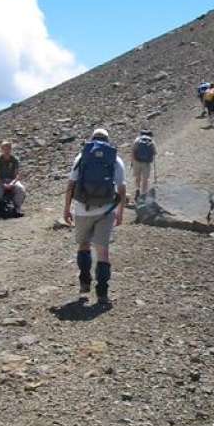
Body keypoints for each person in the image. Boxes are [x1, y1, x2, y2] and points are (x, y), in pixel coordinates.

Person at [63, 128, 127, 305]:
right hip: (106, 210)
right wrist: (120, 212)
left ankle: (84, 282)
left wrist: (66, 209)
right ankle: (102, 293)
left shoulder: (82, 156)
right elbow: (121, 189)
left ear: (92, 138)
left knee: (83, 245)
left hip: (83, 209)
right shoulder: (115, 158)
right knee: (103, 251)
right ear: (108, 139)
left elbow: (71, 185)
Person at [0, 140, 26, 217]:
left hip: (12, 180)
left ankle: (17, 208)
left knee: (21, 189)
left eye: (8, 149)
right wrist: (3, 184)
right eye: (4, 149)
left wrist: (12, 183)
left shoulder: (14, 160)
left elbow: (17, 174)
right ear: (1, 150)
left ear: (11, 149)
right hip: (2, 180)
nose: (6, 151)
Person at [131, 129, 157, 201]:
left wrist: (132, 162)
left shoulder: (137, 140)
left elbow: (133, 151)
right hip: (146, 163)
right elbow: (155, 153)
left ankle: (137, 190)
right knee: (145, 179)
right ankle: (143, 194)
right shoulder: (151, 141)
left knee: (137, 177)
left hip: (137, 161)